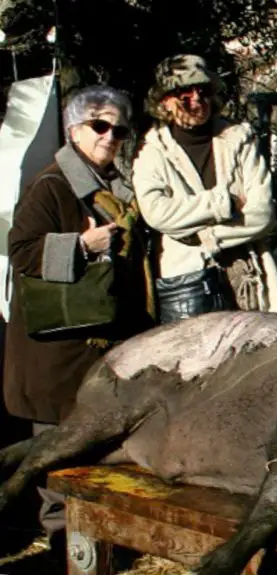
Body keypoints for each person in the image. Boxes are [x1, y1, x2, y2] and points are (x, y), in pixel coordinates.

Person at [5, 85, 156, 543]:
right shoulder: (52, 186)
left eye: (119, 129)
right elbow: (21, 250)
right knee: (55, 453)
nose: (111, 136)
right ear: (74, 130)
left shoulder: (116, 189)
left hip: (90, 349)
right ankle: (62, 547)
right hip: (55, 352)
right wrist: (80, 245)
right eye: (100, 126)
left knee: (85, 452)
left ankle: (88, 545)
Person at [133, 54, 277, 324]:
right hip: (188, 282)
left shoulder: (239, 138)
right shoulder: (151, 151)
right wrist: (222, 204)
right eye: (185, 92)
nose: (196, 99)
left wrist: (205, 237)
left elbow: (263, 214)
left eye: (203, 91)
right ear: (165, 100)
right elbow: (158, 214)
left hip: (251, 277)